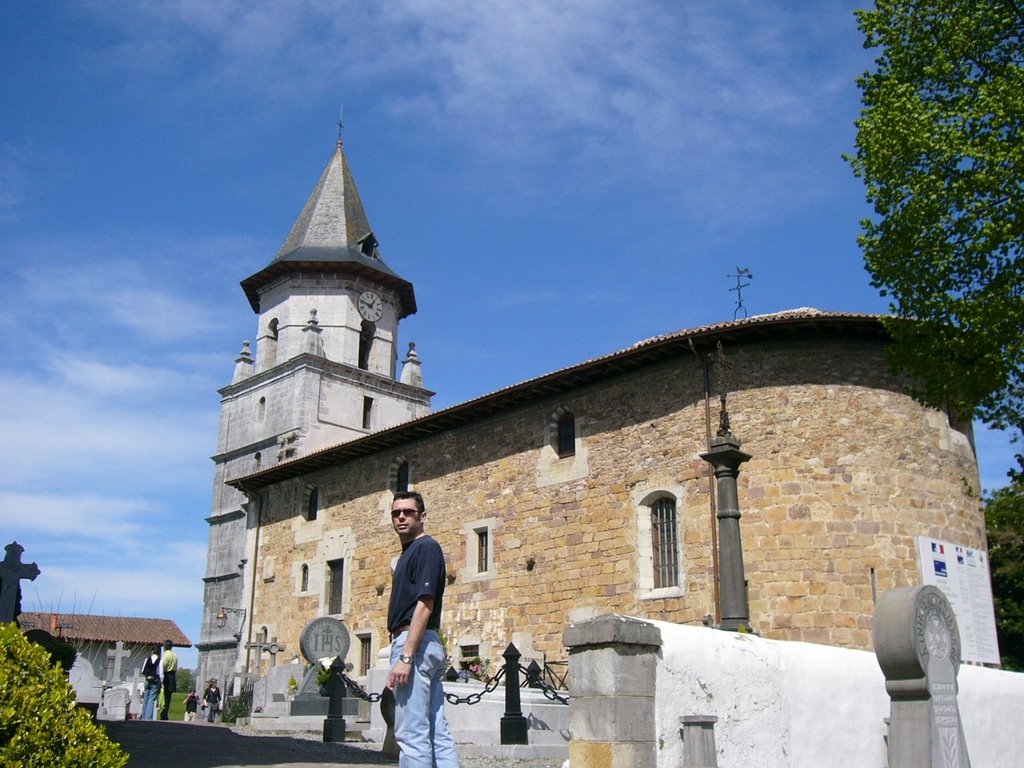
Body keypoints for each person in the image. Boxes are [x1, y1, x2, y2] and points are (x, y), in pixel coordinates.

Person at [386, 491, 459, 768]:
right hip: (419, 645)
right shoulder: (408, 554)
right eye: (396, 513)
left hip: (414, 644)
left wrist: (405, 656)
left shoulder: (425, 547)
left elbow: (425, 604)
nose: (401, 517)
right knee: (435, 729)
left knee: (411, 734)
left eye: (409, 512)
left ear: (423, 517)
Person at [141, 645, 161, 720]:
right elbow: (160, 673)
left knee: (146, 698)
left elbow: (143, 670)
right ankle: (148, 718)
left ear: (152, 651)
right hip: (155, 681)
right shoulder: (159, 660)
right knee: (152, 699)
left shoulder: (147, 659)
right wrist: (160, 681)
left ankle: (143, 716)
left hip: (147, 680)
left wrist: (147, 675)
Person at [159, 639, 178, 720]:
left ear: (164, 646)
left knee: (163, 696)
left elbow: (162, 667)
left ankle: (163, 713)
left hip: (166, 675)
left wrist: (161, 679)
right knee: (168, 696)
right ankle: (165, 713)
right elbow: (176, 668)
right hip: (172, 675)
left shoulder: (165, 655)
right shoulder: (175, 656)